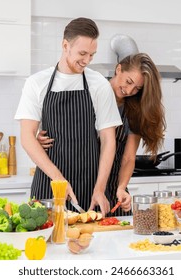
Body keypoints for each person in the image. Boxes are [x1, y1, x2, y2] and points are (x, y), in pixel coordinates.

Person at [14, 17, 122, 217]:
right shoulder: (36, 83)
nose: (87, 60)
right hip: (49, 185)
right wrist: (58, 180)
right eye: (82, 53)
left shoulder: (99, 84)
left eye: (92, 54)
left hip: (90, 188)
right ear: (65, 45)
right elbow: (27, 137)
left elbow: (108, 140)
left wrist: (100, 188)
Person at [39, 53, 166, 216]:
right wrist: (39, 138)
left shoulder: (134, 112)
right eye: (128, 82)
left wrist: (121, 187)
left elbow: (128, 158)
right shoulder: (88, 92)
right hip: (75, 185)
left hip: (111, 191)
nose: (129, 91)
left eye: (137, 89)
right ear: (118, 69)